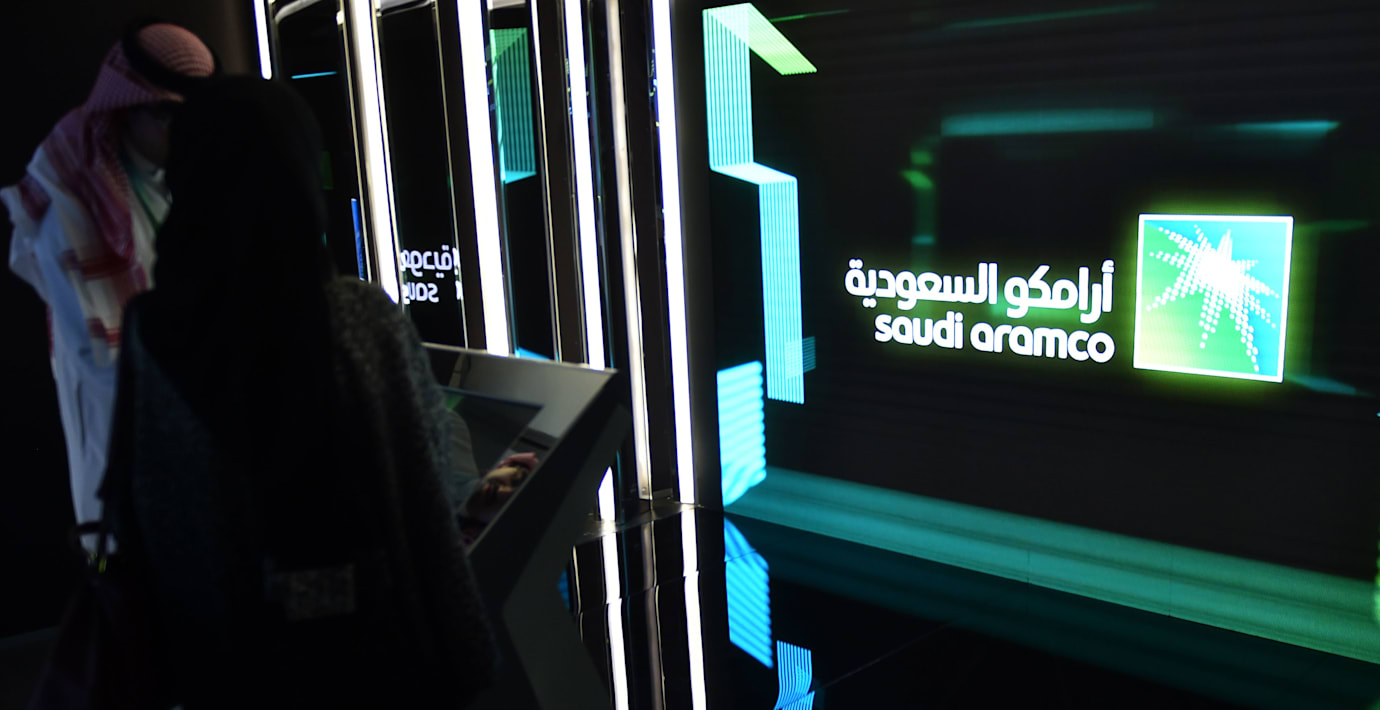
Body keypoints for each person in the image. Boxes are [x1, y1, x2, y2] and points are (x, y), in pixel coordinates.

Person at [101, 77, 495, 707]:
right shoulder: (357, 317)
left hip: (215, 660)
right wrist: (468, 655)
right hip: (360, 654)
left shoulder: (151, 328)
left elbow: (147, 504)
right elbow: (422, 497)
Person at [0, 20, 217, 532]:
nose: (180, 131)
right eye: (166, 115)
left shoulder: (172, 171)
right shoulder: (71, 199)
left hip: (185, 418)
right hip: (117, 407)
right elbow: (109, 354)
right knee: (124, 541)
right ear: (128, 106)